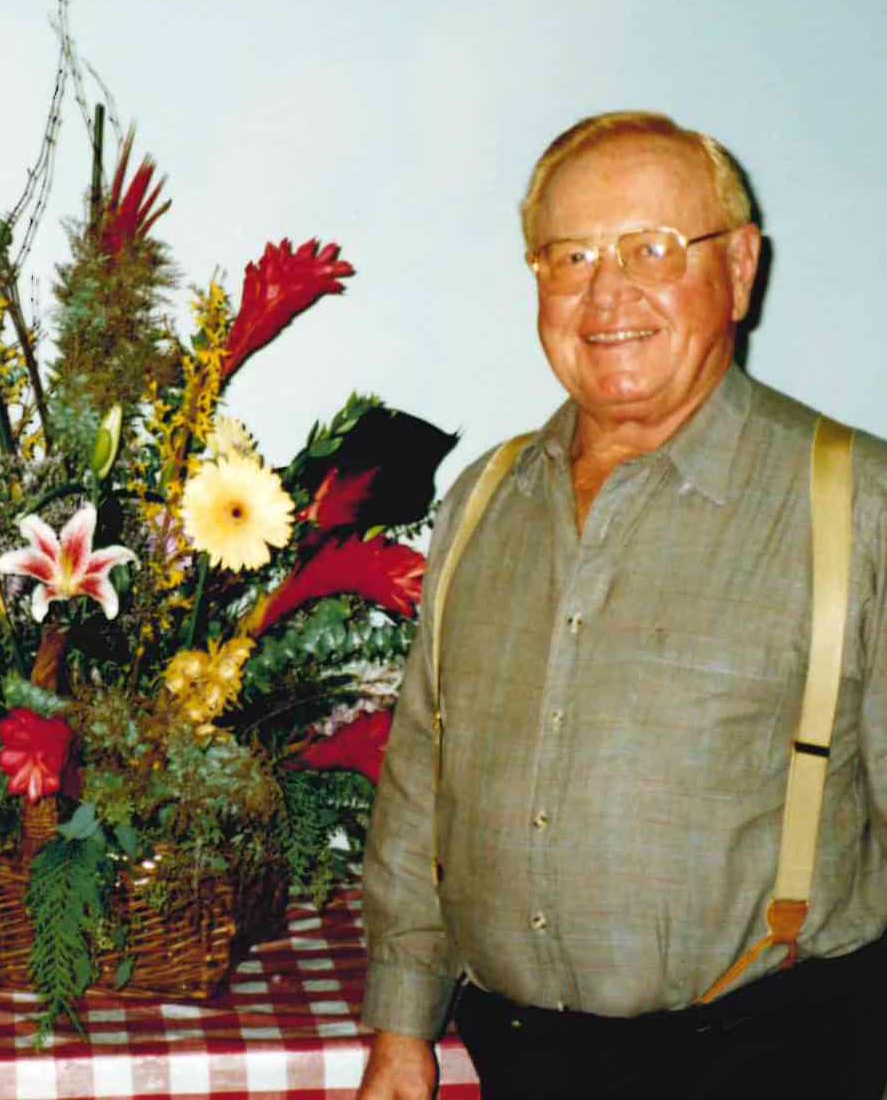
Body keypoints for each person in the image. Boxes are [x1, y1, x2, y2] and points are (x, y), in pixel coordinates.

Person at [356, 113, 885, 1100]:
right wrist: (400, 1028)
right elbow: (422, 781)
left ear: (736, 268)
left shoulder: (856, 504)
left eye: (649, 249)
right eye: (569, 257)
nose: (606, 294)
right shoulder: (483, 497)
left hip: (776, 1056)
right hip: (520, 1059)